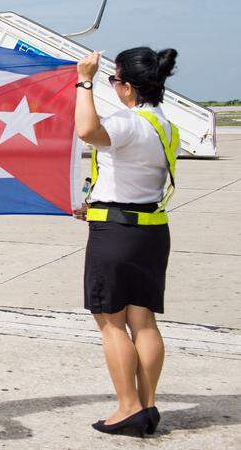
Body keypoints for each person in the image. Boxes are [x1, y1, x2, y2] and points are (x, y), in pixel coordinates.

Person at [75, 47, 179, 438]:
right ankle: (147, 405)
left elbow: (87, 131)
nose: (113, 87)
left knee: (111, 322)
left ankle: (127, 407)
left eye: (114, 81)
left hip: (115, 234)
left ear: (129, 88)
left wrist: (84, 81)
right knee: (144, 320)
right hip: (150, 230)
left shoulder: (128, 122)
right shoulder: (164, 124)